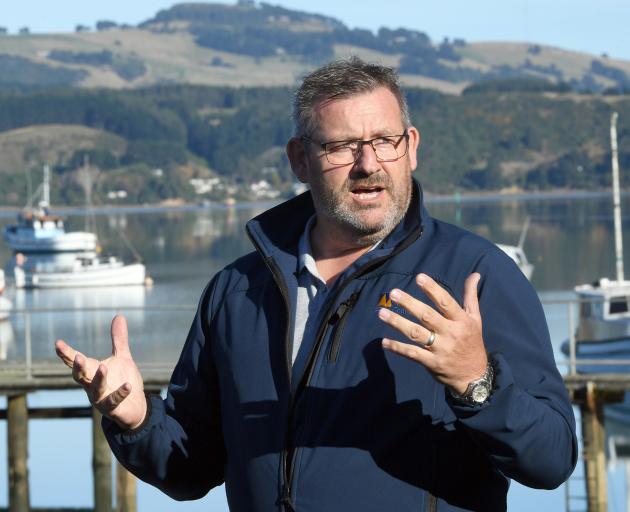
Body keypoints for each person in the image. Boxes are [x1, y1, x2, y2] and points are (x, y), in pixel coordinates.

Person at [56, 57, 577, 511]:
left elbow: (551, 460)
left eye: (384, 142)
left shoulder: (475, 275)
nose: (368, 164)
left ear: (411, 147)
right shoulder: (236, 293)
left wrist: (477, 383)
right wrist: (138, 419)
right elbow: (191, 470)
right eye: (342, 147)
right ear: (300, 160)